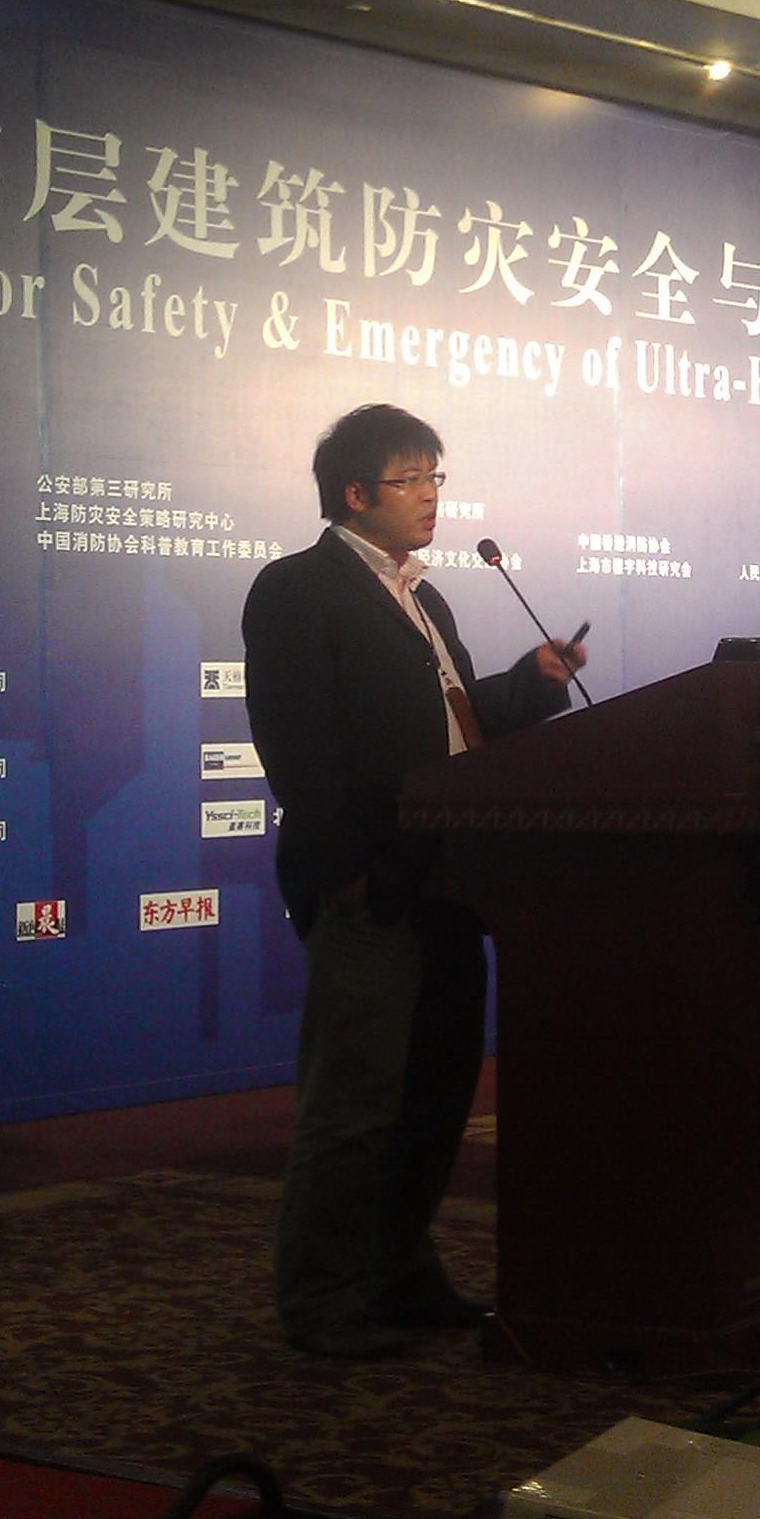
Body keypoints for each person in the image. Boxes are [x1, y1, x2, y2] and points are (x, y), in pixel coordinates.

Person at [241, 404, 585, 1359]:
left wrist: (533, 683)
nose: (432, 496)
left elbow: (457, 731)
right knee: (355, 1104)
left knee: (435, 1095)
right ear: (356, 494)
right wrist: (345, 871)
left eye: (437, 477)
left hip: (451, 882)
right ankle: (320, 1298)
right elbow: (298, 746)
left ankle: (395, 1272)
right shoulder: (298, 589)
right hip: (373, 883)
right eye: (412, 479)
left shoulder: (426, 601)